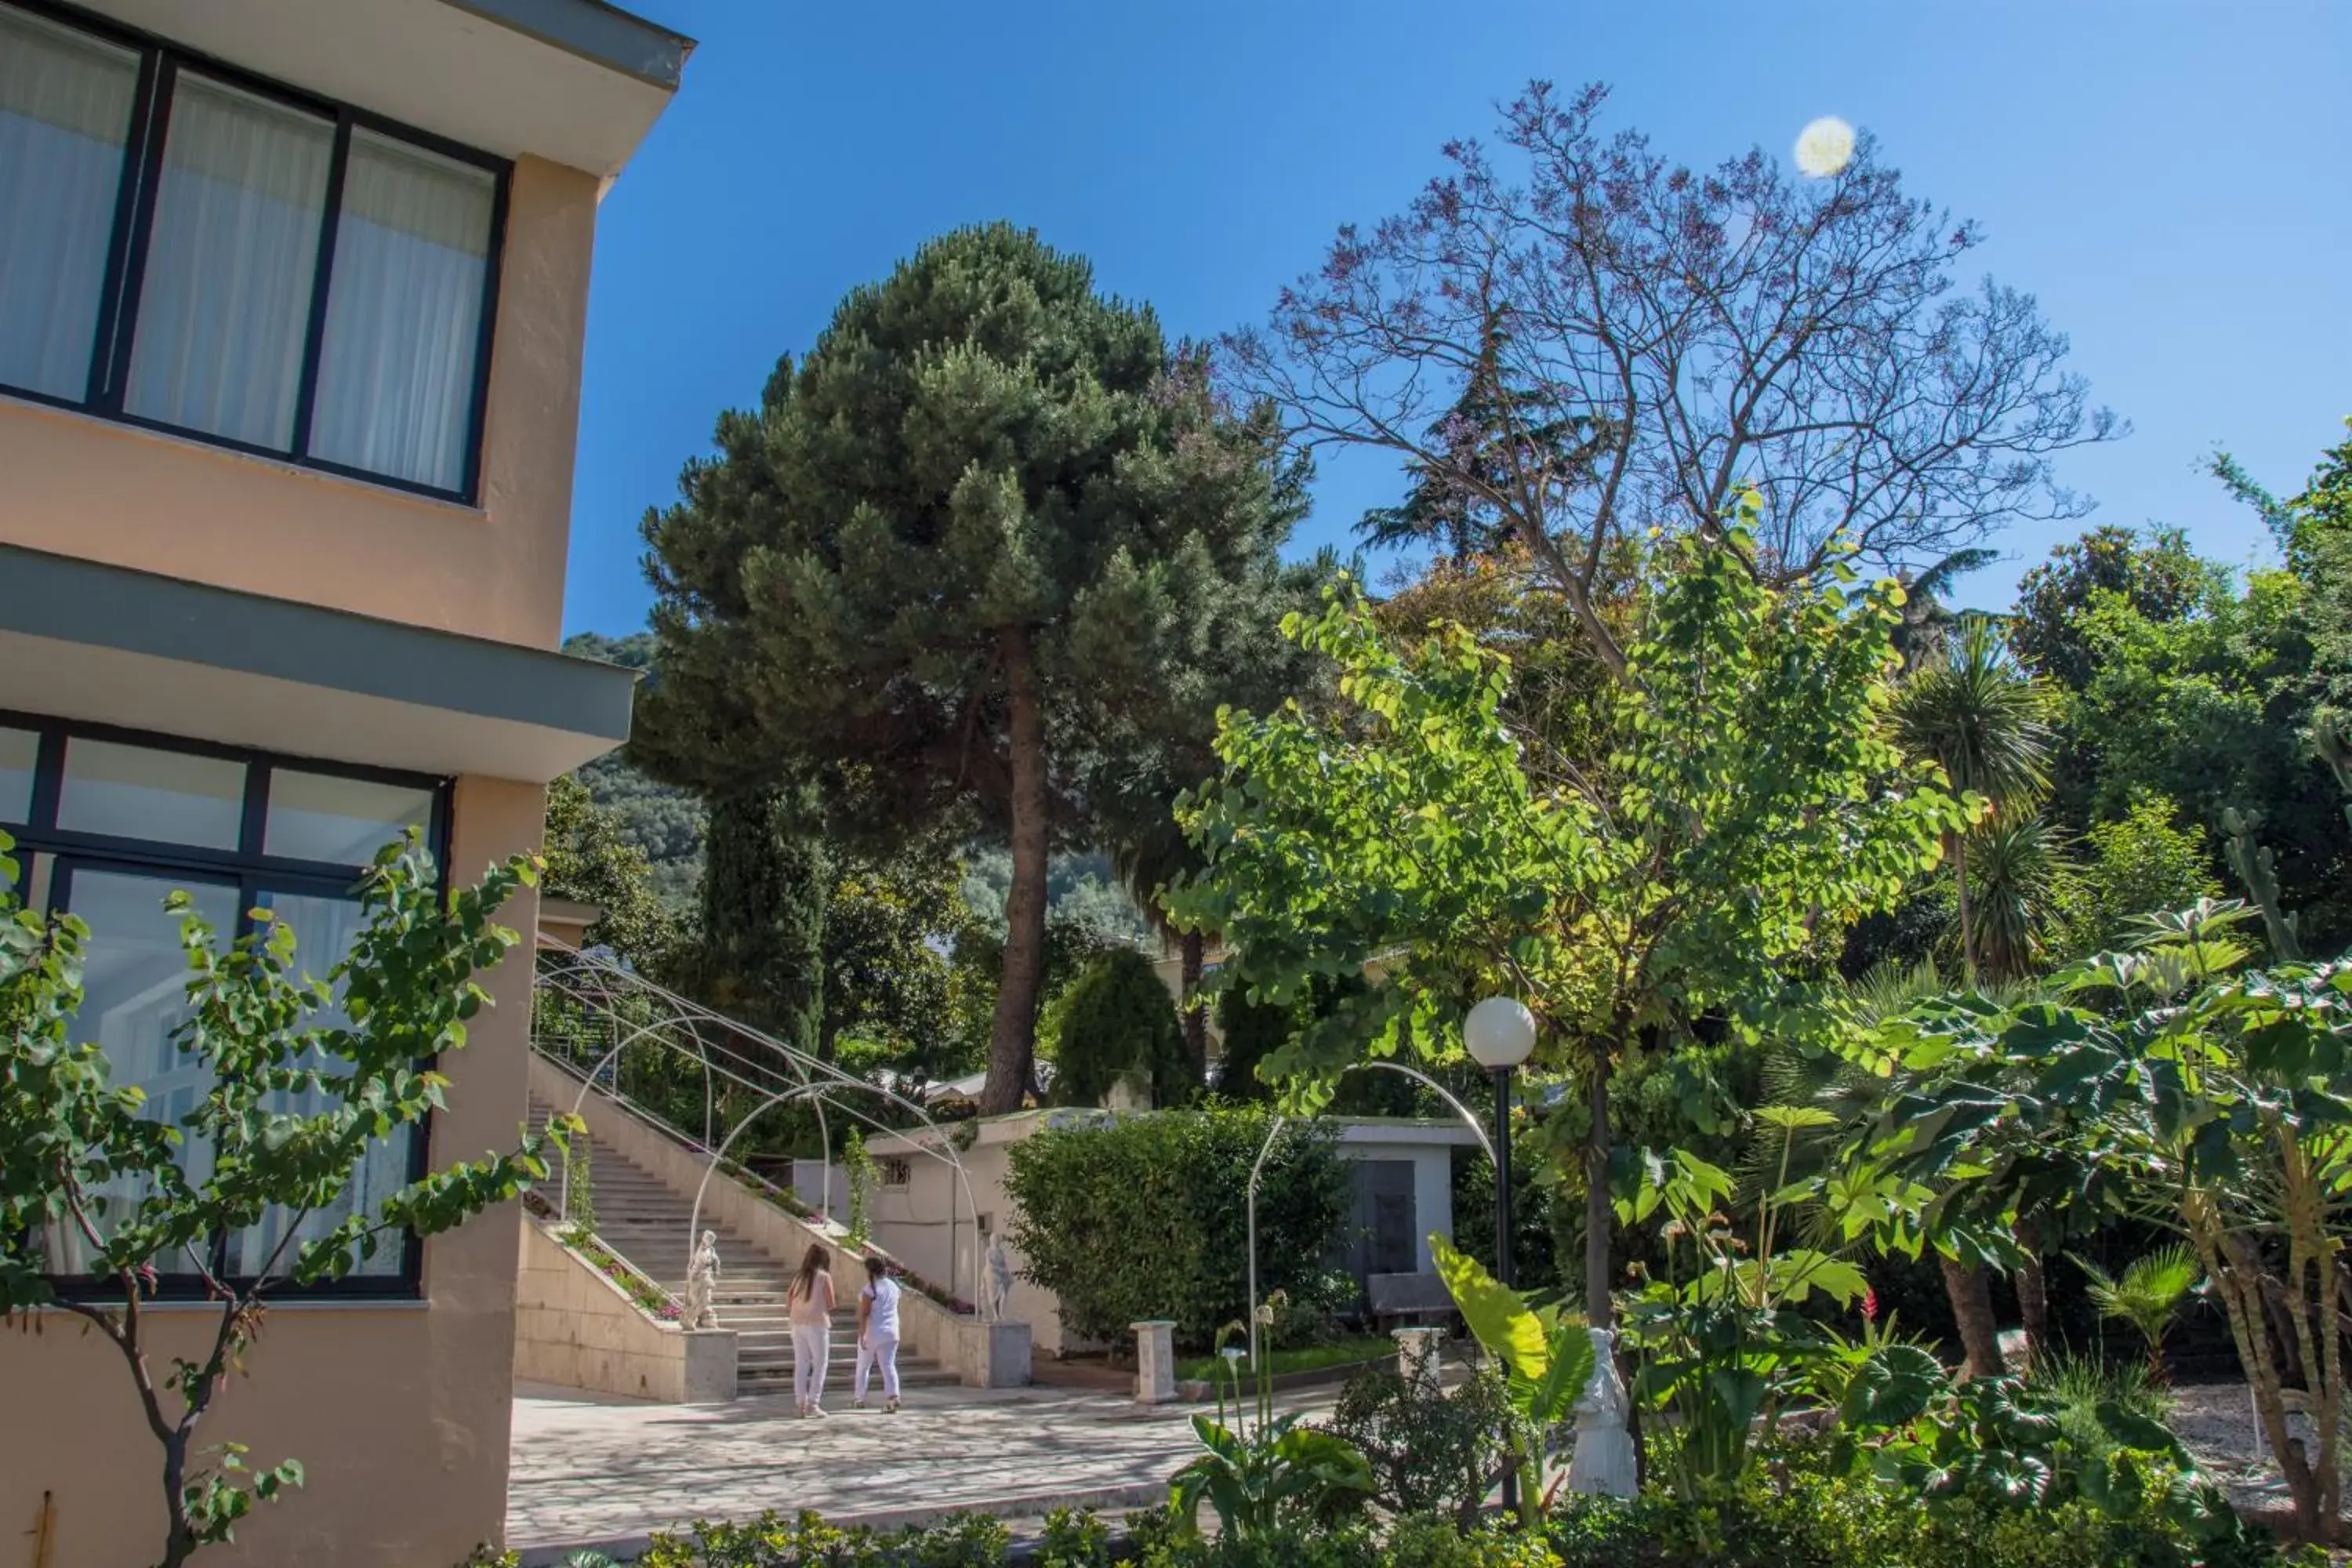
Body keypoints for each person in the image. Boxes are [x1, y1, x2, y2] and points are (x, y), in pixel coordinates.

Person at [786, 1243, 835, 1418]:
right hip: (817, 1323)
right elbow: (831, 1303)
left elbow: (789, 1302)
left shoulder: (798, 1277)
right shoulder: (824, 1277)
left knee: (801, 1364)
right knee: (820, 1363)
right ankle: (813, 1403)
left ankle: (800, 1404)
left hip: (797, 1323)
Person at [853, 1256, 904, 1414]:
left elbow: (865, 1313)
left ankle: (859, 1397)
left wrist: (862, 1333)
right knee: (888, 1365)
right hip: (892, 1331)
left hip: (874, 1331)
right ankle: (893, 1396)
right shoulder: (894, 1287)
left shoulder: (869, 1289)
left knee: (863, 1365)